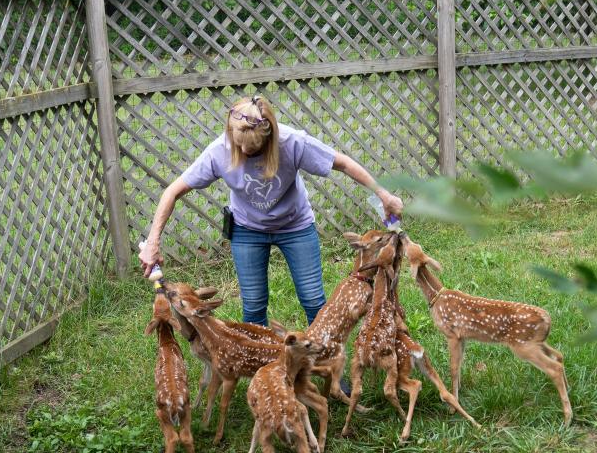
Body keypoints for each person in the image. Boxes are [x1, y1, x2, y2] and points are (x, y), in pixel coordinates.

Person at [137, 94, 403, 327]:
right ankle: (261, 370)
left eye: (251, 150)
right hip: (247, 230)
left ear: (269, 139)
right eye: (238, 144)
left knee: (313, 299)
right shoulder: (220, 150)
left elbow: (342, 163)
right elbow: (172, 191)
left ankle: (326, 364)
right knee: (253, 305)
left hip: (295, 226)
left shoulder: (292, 142)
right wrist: (153, 242)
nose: (242, 151)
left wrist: (384, 194)